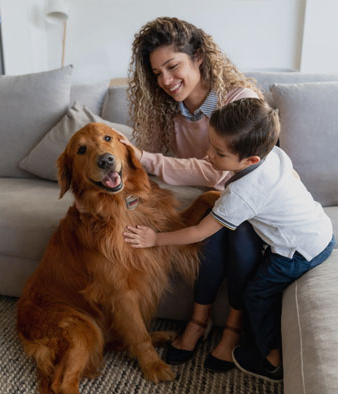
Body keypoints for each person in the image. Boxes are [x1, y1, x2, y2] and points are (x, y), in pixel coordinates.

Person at [123, 97, 335, 382]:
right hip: (320, 229)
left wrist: (155, 239)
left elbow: (198, 232)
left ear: (250, 161)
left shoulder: (242, 195)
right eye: (210, 145)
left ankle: (272, 358)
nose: (209, 155)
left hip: (298, 250)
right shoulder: (275, 155)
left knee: (257, 294)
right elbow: (293, 176)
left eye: (219, 153)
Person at [123, 16, 265, 371]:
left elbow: (218, 170)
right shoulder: (165, 110)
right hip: (210, 204)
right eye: (157, 73)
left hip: (249, 203)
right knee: (208, 227)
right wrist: (130, 200)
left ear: (199, 57)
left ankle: (232, 327)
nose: (166, 81)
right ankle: (199, 322)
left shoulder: (238, 101)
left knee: (237, 234)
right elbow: (143, 170)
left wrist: (148, 159)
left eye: (172, 66)